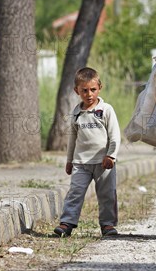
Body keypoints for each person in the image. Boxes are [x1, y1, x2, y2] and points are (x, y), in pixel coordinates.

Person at [54, 67, 121, 237]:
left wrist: (111, 155)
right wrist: (69, 161)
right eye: (84, 90)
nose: (89, 94)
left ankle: (107, 225)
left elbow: (115, 136)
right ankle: (66, 223)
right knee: (75, 193)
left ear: (100, 87)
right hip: (81, 163)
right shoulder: (76, 113)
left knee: (107, 194)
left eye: (93, 89)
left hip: (103, 163)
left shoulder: (106, 110)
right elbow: (72, 140)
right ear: (77, 90)